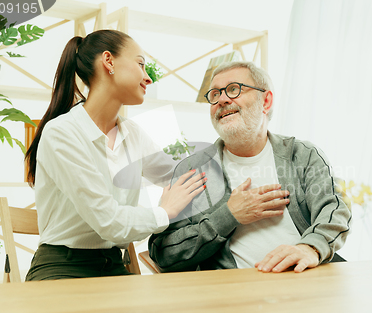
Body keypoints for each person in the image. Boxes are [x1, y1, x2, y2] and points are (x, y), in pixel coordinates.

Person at [24, 30, 206, 281]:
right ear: (108, 61)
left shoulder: (133, 134)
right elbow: (108, 221)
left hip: (114, 267)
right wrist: (166, 211)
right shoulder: (62, 133)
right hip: (61, 268)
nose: (148, 78)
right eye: (141, 64)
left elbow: (179, 174)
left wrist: (231, 143)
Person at [148, 61, 351, 273]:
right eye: (215, 94)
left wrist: (310, 247)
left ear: (266, 101)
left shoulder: (304, 155)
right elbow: (164, 252)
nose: (222, 100)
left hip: (306, 284)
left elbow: (336, 211)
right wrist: (228, 216)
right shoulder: (192, 170)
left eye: (234, 89)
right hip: (235, 295)